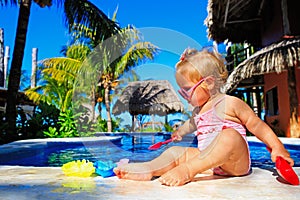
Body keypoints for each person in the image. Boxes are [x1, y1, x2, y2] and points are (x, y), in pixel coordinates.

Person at [113, 47, 294, 186]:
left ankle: (188, 170)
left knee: (229, 135)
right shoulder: (198, 112)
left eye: (186, 90)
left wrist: (277, 147)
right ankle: (150, 169)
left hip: (236, 162)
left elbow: (257, 125)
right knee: (177, 152)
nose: (184, 96)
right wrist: (180, 132)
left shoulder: (230, 103)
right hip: (209, 161)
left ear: (208, 83)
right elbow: (190, 124)